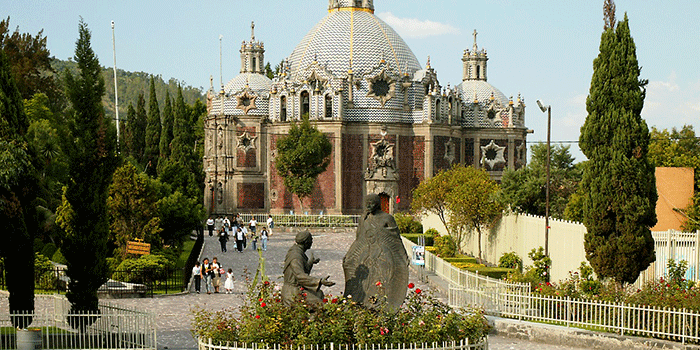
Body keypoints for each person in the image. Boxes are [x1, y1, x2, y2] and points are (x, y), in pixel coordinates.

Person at [343, 194, 409, 310]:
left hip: (381, 259)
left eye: (371, 203)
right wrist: (349, 254)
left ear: (377, 204)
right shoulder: (364, 219)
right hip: (366, 258)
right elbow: (359, 239)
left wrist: (403, 255)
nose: (368, 206)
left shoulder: (387, 218)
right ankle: (363, 306)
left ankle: (383, 307)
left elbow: (395, 238)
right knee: (364, 284)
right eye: (366, 203)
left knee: (381, 285)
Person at [281, 230, 335, 306]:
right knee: (319, 305)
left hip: (295, 288)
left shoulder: (297, 251)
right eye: (311, 240)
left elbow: (300, 271)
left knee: (319, 294)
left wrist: (310, 263)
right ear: (306, 242)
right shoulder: (296, 256)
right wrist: (319, 281)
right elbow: (300, 276)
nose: (312, 242)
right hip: (292, 292)